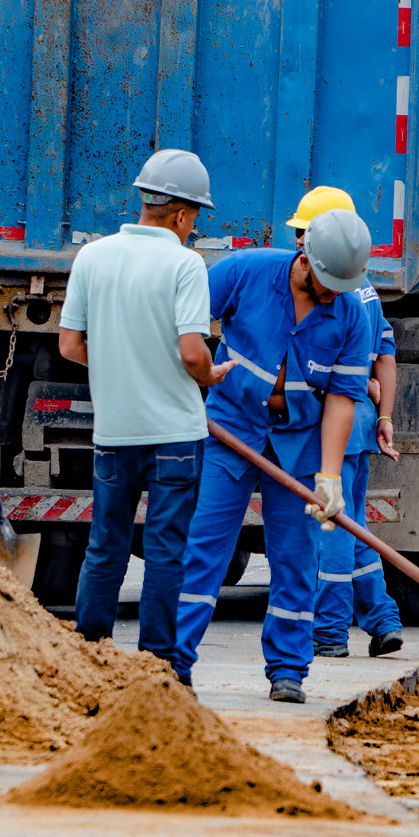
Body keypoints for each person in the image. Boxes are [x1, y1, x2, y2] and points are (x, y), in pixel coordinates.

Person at [174, 206, 374, 703]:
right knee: (206, 547)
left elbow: (342, 401)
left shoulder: (351, 314)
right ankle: (176, 664)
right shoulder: (245, 271)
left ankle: (288, 669)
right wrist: (190, 376)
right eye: (324, 283)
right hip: (231, 428)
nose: (330, 295)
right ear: (304, 259)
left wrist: (329, 476)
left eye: (339, 288)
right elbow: (186, 323)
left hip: (300, 442)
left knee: (296, 557)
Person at [58, 149, 234, 675]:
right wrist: (209, 374)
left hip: (114, 432)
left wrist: (115, 360)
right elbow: (190, 351)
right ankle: (159, 667)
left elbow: (70, 345)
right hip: (175, 435)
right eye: (196, 216)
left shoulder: (92, 257)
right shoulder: (185, 264)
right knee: (165, 552)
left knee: (105, 546)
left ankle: (89, 657)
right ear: (180, 214)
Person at [288, 187, 404, 661]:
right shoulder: (367, 290)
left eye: (301, 233)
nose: (297, 243)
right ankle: (382, 620)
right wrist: (385, 414)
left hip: (334, 424)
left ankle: (330, 632)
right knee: (353, 525)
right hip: (357, 422)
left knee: (332, 527)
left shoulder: (328, 289)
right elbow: (387, 358)